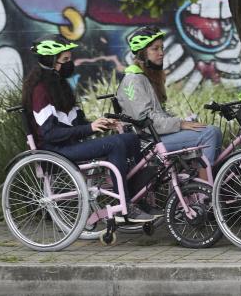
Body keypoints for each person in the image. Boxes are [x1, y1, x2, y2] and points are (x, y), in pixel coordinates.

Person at [22, 35, 155, 223]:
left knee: (130, 138)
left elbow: (78, 124)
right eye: (65, 60)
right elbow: (50, 134)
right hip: (56, 150)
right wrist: (89, 128)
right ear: (51, 61)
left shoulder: (60, 86)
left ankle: (137, 198)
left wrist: (100, 124)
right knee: (115, 144)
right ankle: (124, 207)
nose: (70, 64)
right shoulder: (40, 92)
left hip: (70, 144)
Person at [116, 26, 222, 180]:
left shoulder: (145, 77)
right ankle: (204, 195)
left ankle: (199, 185)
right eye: (155, 49)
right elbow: (144, 120)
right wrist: (179, 124)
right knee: (210, 133)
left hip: (157, 136)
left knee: (205, 129)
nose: (161, 52)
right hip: (147, 142)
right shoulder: (133, 80)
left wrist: (184, 121)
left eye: (162, 48)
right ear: (141, 53)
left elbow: (157, 114)